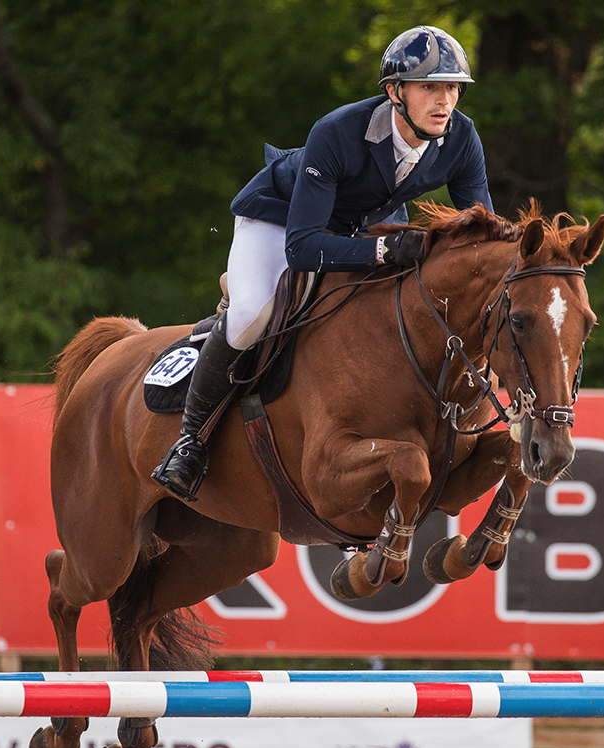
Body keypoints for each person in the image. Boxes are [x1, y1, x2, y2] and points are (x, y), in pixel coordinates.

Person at [152, 25, 493, 501]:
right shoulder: (337, 132)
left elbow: (482, 232)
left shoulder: (461, 137)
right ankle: (190, 442)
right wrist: (380, 251)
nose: (445, 101)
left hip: (365, 221)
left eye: (453, 87)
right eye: (429, 87)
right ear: (395, 92)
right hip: (280, 220)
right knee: (254, 313)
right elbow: (304, 247)